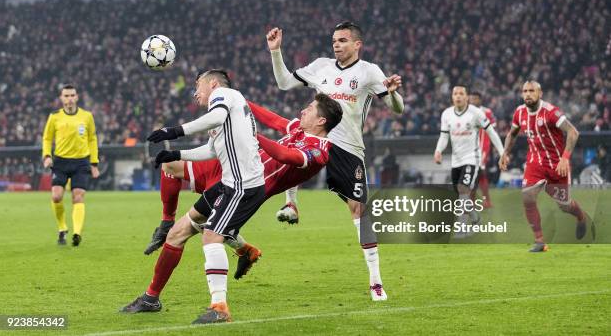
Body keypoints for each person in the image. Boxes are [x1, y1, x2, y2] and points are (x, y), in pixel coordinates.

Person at [121, 94, 342, 320]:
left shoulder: (320, 151)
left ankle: (219, 307)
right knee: (178, 232)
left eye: (310, 108)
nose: (303, 110)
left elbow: (286, 156)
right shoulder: (297, 129)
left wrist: (251, 135)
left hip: (247, 189)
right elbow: (273, 119)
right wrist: (238, 101)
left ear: (321, 121)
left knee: (211, 236)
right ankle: (151, 297)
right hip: (232, 175)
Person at [266, 21, 404, 301]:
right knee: (292, 149)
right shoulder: (321, 66)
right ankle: (290, 202)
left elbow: (396, 109)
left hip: (348, 147)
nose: (336, 45)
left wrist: (392, 93)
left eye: (342, 40)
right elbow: (283, 83)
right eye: (334, 40)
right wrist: (276, 52)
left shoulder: (369, 71)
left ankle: (375, 281)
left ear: (357, 45)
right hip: (318, 138)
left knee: (360, 211)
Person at [499, 81, 589, 252]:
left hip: (557, 166)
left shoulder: (550, 112)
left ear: (540, 93)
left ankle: (581, 216)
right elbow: (512, 133)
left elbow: (573, 132)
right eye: (525, 91)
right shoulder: (519, 112)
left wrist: (565, 158)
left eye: (531, 91)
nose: (527, 94)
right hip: (535, 164)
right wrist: (505, 153)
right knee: (528, 197)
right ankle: (540, 241)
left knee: (564, 206)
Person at [433, 86, 504, 235]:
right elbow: (444, 136)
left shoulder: (476, 113)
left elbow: (491, 132)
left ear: (466, 97)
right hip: (456, 160)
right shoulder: (446, 114)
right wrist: (438, 150)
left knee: (463, 190)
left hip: (472, 158)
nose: (458, 96)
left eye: (461, 94)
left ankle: (462, 228)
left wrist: (502, 152)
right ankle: (476, 219)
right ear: (452, 97)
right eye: (455, 94)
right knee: (460, 195)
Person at [42, 84, 99, 246]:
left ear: (77, 97)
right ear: (61, 99)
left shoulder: (87, 116)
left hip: (81, 162)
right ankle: (62, 228)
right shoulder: (54, 117)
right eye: (66, 96)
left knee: (78, 196)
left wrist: (94, 163)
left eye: (72, 95)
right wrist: (47, 156)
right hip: (60, 161)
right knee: (56, 196)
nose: (69, 99)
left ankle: (76, 233)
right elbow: (47, 138)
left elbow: (92, 139)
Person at [469, 91, 496, 208]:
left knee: (478, 173)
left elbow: (493, 126)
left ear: (480, 100)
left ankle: (482, 201)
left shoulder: (487, 112)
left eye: (475, 99)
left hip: (483, 147)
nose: (473, 101)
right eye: (471, 99)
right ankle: (481, 201)